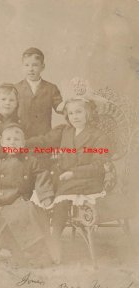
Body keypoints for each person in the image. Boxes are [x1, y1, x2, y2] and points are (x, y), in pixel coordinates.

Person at [27, 97, 111, 263]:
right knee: (41, 193)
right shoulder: (65, 131)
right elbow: (44, 141)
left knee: (62, 195)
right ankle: (42, 241)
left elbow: (99, 165)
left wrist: (73, 173)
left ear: (88, 113)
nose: (75, 116)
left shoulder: (98, 136)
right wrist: (22, 143)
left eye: (79, 112)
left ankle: (55, 240)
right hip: (64, 176)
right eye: (71, 113)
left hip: (87, 179)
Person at [0, 123, 54, 266]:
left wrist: (45, 195)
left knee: (28, 211)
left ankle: (34, 252)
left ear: (23, 143)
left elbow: (42, 175)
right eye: (9, 139)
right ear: (1, 142)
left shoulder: (30, 160)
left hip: (18, 201)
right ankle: (4, 250)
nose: (12, 142)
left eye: (17, 140)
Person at [15, 47, 62, 138]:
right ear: (22, 66)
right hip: (21, 137)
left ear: (42, 66)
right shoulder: (16, 88)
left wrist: (71, 102)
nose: (31, 69)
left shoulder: (51, 88)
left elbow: (60, 107)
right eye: (26, 65)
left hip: (43, 138)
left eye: (35, 65)